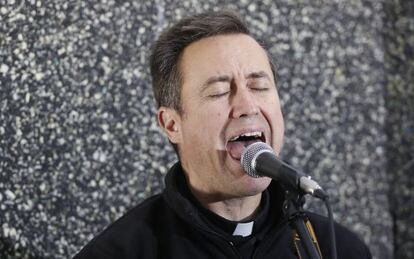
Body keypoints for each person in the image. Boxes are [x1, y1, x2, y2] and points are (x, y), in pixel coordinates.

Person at [74, 10, 372, 259]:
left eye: (258, 86)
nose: (247, 106)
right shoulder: (121, 252)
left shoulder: (339, 249)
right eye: (219, 91)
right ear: (171, 125)